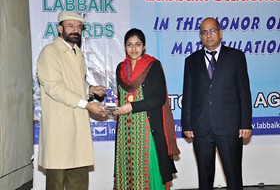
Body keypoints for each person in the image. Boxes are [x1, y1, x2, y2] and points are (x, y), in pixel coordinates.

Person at [37, 11, 109, 190]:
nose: (75, 30)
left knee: (79, 181)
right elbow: (54, 88)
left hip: (77, 124)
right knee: (56, 182)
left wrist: (90, 89)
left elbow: (75, 83)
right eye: (70, 26)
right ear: (60, 28)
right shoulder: (50, 52)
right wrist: (87, 104)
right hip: (59, 127)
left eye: (79, 27)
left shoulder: (77, 52)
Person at [181, 17, 252, 190]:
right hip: (201, 126)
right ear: (200, 36)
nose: (208, 35)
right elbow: (188, 93)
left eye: (212, 30)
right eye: (204, 32)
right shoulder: (191, 61)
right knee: (204, 178)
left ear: (220, 33)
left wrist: (245, 123)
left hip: (229, 126)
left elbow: (244, 92)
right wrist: (187, 123)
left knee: (233, 175)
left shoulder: (236, 57)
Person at [113, 28, 180, 189]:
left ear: (144, 46)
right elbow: (122, 95)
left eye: (137, 44)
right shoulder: (120, 68)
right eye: (129, 45)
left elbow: (159, 98)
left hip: (147, 129)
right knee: (127, 168)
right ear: (125, 47)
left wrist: (132, 106)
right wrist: (116, 105)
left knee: (148, 168)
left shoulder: (153, 66)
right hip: (125, 130)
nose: (133, 48)